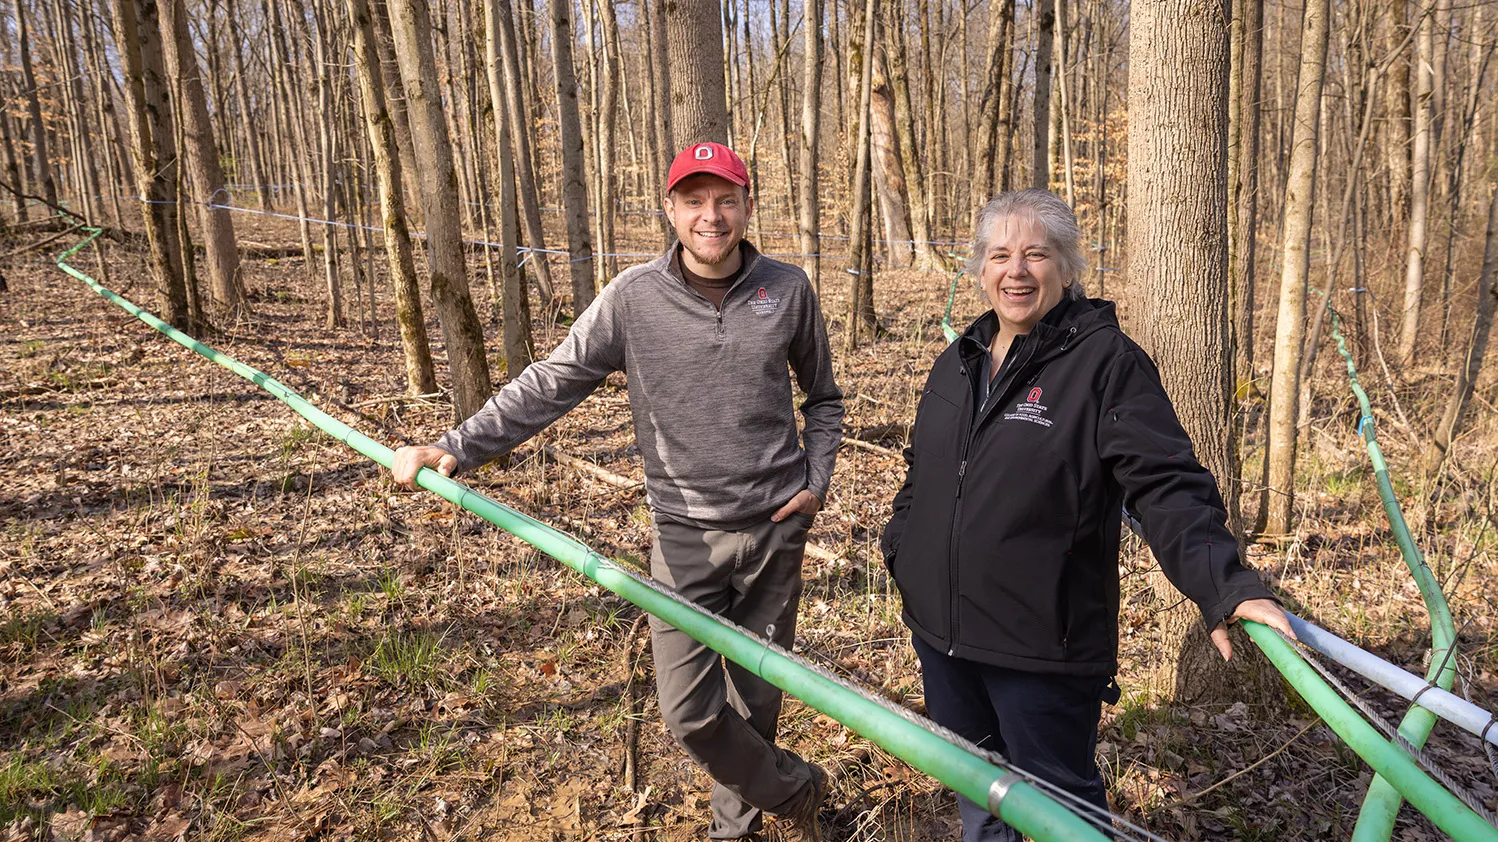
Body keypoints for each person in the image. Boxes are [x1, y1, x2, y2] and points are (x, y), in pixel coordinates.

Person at [391, 142, 843, 842]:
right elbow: (553, 380)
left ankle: (736, 832)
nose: (711, 216)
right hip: (685, 535)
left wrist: (815, 482)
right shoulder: (633, 297)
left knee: (755, 703)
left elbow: (826, 399)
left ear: (748, 206)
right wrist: (455, 445)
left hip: (775, 530)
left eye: (725, 199)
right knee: (691, 713)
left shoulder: (787, 289)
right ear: (670, 209)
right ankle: (798, 790)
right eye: (693, 200)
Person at [879, 189, 1293, 842]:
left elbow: (1165, 485)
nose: (1015, 271)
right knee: (979, 802)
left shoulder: (1107, 365)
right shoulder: (956, 363)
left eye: (1036, 254)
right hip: (942, 640)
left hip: (1040, 650)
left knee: (1062, 816)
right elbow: (922, 471)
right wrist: (901, 548)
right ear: (980, 269)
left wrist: (1224, 584)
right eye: (1000, 255)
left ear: (1068, 267)